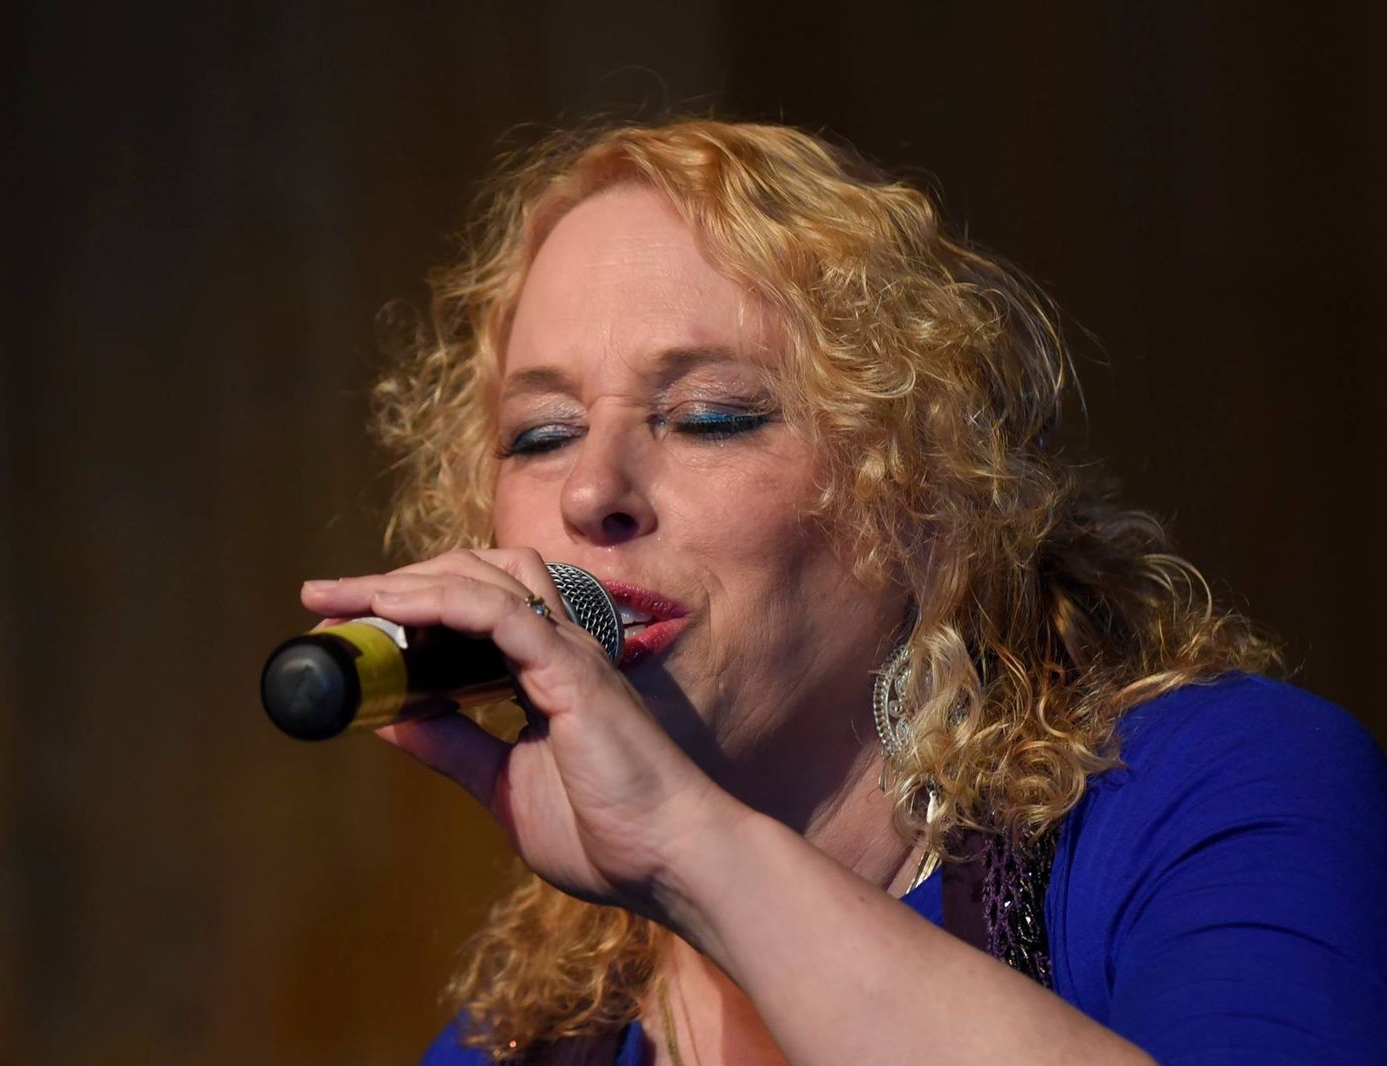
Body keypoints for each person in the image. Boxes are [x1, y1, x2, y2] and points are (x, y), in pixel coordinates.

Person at [300, 119, 1387, 1064]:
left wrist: (695, 852)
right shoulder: (533, 1032)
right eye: (541, 435)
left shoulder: (1217, 789)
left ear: (915, 494)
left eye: (711, 417)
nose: (591, 492)